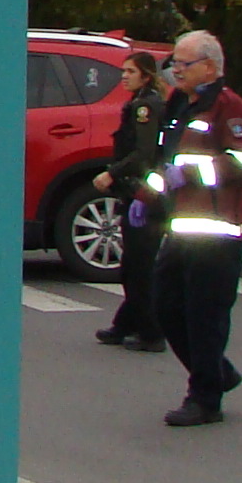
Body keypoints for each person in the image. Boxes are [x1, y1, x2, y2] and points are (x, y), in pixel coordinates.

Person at [145, 29, 242, 427]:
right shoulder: (179, 104)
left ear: (210, 67)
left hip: (217, 232)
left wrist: (189, 174)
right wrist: (149, 194)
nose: (176, 70)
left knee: (204, 317)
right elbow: (165, 159)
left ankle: (205, 399)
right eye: (174, 63)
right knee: (165, 307)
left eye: (183, 63)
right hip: (181, 230)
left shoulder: (229, 107)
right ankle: (217, 373)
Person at [91, 48, 173, 352]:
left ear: (146, 75)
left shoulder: (145, 107)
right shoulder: (140, 103)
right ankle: (125, 324)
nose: (124, 76)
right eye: (124, 71)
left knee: (139, 265)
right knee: (133, 264)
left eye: (130, 72)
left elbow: (143, 153)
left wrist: (111, 173)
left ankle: (151, 332)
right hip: (137, 192)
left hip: (145, 194)